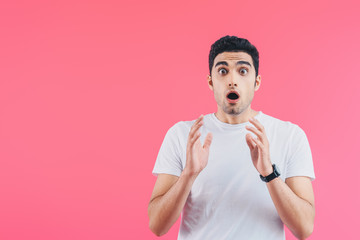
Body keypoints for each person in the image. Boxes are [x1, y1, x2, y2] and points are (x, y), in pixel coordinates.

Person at [148, 35, 315, 239]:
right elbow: (157, 225)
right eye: (222, 71)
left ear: (257, 81)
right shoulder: (183, 134)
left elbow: (304, 228)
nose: (232, 80)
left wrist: (269, 173)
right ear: (211, 81)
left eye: (243, 71)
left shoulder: (290, 135)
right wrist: (189, 174)